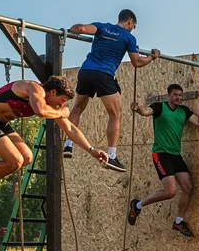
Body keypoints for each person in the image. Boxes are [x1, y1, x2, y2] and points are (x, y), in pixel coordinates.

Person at [0, 76, 109, 208]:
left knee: (27, 157)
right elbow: (40, 111)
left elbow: (70, 129)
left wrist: (91, 150)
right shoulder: (34, 88)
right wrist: (61, 113)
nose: (61, 106)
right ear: (52, 92)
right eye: (62, 101)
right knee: (15, 160)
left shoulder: (53, 107)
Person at [64, 9, 160, 172]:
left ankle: (68, 144)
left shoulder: (102, 27)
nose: (132, 29)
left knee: (77, 108)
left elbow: (80, 29)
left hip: (86, 71)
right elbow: (136, 62)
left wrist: (66, 31)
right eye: (133, 26)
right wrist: (152, 57)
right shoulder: (128, 37)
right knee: (115, 114)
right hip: (105, 74)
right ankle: (112, 156)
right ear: (129, 22)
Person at [126, 85, 199, 238]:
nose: (178, 97)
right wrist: (138, 109)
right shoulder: (159, 107)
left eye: (180, 95)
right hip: (161, 154)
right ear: (168, 95)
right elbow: (146, 112)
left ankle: (178, 221)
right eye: (175, 95)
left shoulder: (183, 111)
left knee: (188, 187)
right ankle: (137, 205)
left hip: (175, 155)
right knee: (170, 192)